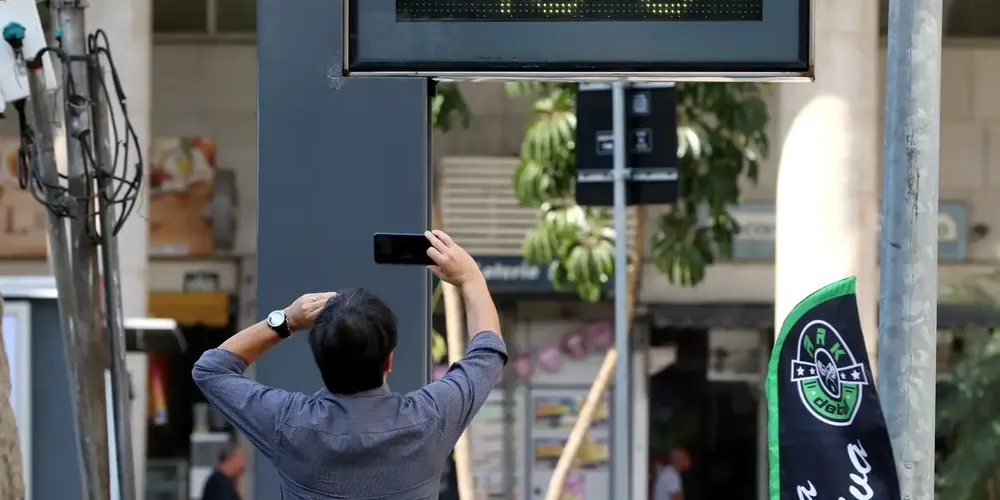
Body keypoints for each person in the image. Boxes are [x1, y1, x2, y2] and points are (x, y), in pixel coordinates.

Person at [192, 230, 507, 499]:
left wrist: (285, 321)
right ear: (389, 360)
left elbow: (211, 369)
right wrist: (470, 277)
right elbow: (488, 352)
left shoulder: (289, 426)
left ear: (320, 361)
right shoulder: (430, 419)